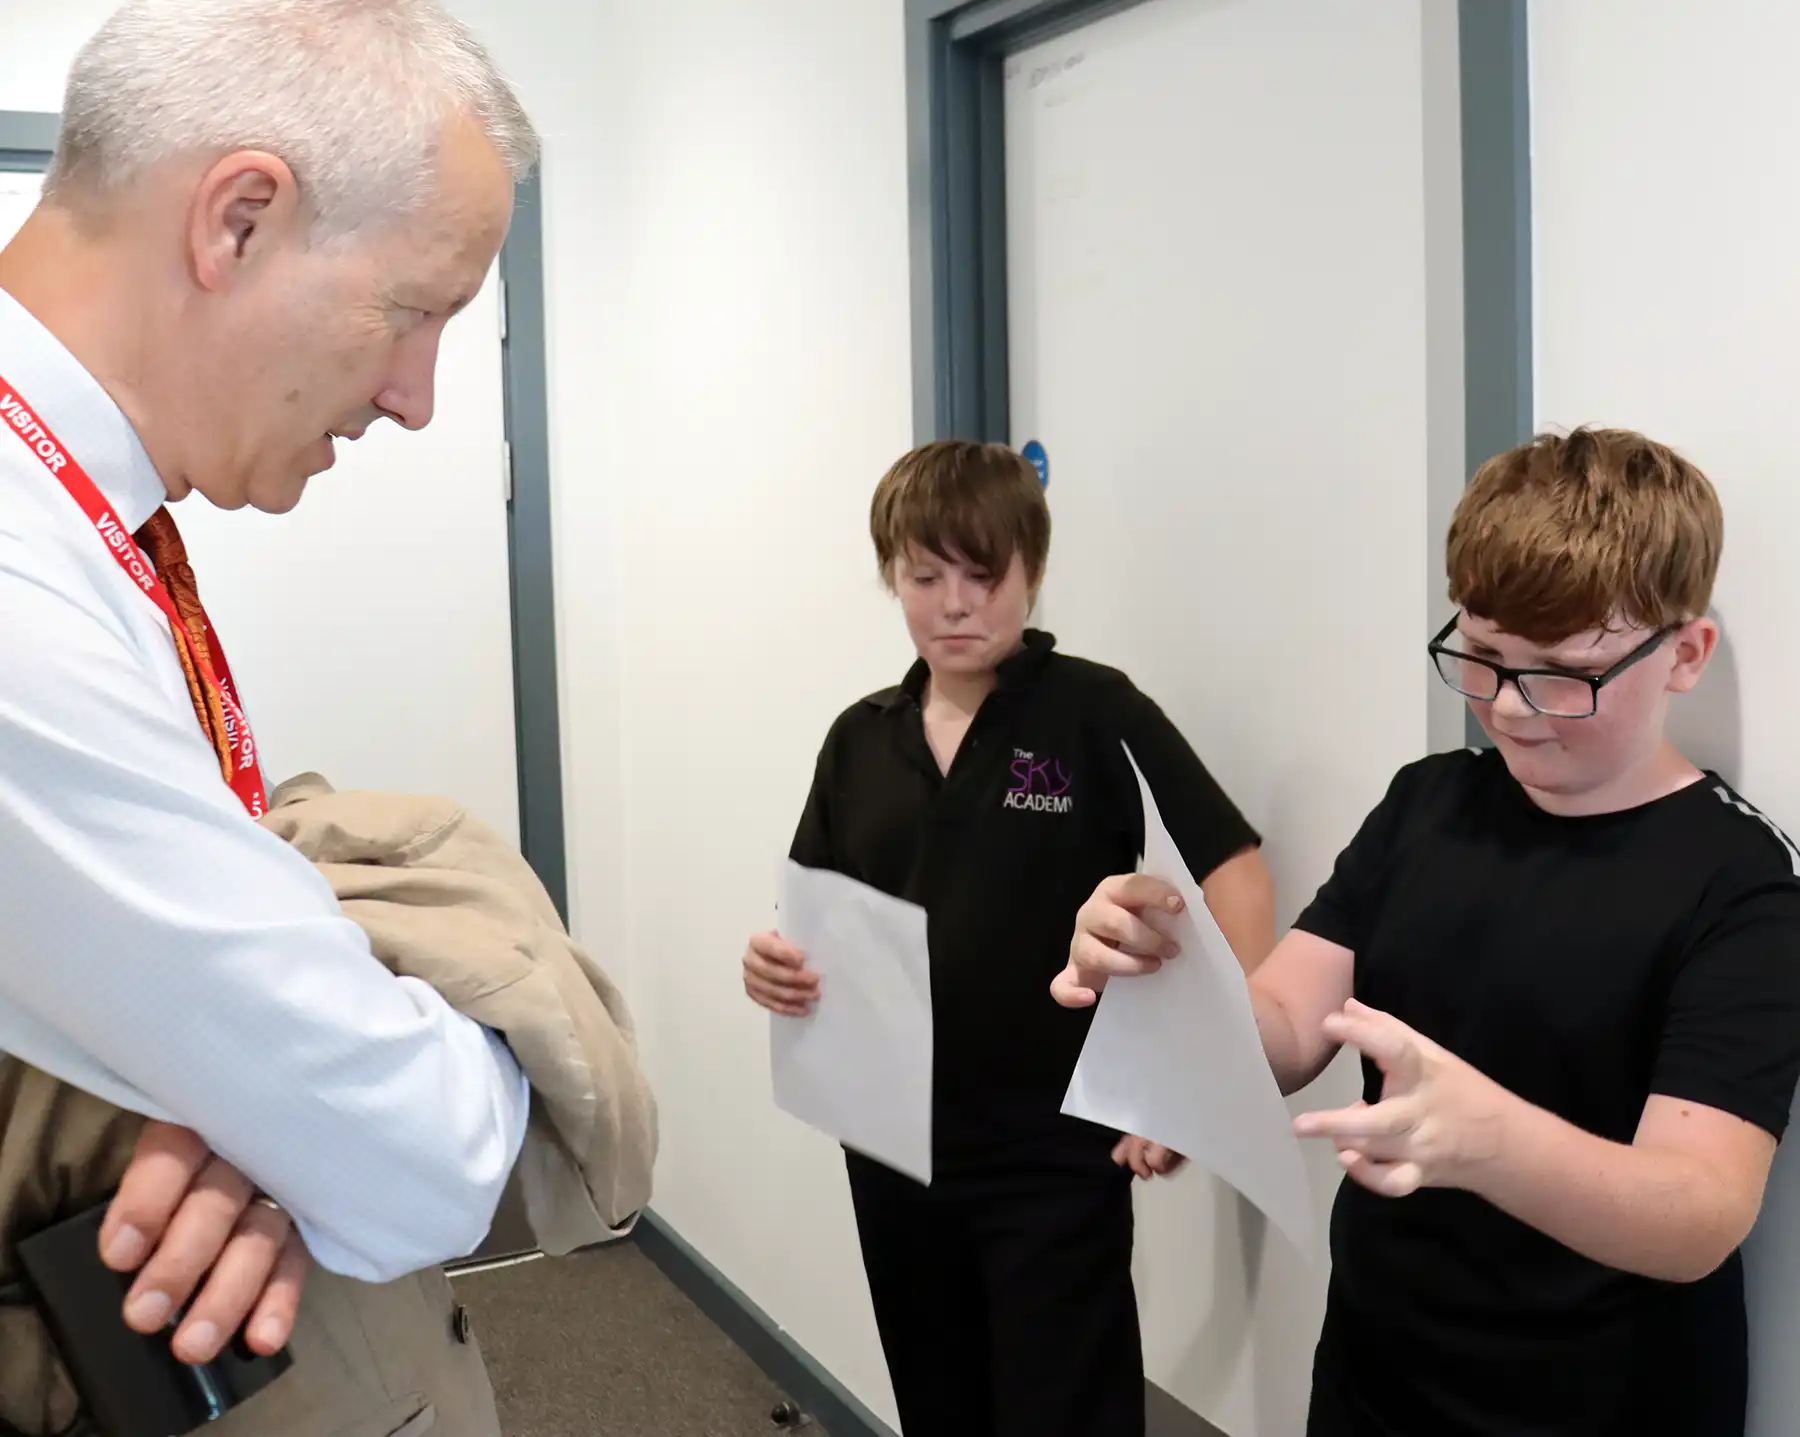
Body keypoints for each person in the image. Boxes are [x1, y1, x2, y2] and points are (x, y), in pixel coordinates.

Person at [0, 1, 540, 1432]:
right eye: (415, 309)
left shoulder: (72, 517)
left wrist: (267, 1104)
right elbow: (429, 1155)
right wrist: (311, 1107)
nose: (419, 398)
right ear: (238, 222)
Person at [1056, 427, 1800, 1436]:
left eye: (1564, 674)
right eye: (1483, 656)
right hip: (1379, 1372)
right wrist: (1168, 973)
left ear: (1685, 654)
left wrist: (1486, 1138)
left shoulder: (1741, 881)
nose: (1509, 707)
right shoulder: (1429, 804)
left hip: (1606, 1400)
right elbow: (1280, 1029)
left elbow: (1698, 1215)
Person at [740, 439, 1276, 1436]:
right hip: (894, 1147)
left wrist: (1204, 1076)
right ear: (892, 577)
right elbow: (819, 912)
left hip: (1053, 1152)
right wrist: (773, 963)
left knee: (1060, 1410)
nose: (955, 604)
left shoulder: (1091, 712)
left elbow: (1233, 869)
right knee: (940, 1405)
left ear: (1030, 572)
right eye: (925, 576)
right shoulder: (862, 737)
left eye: (984, 577)